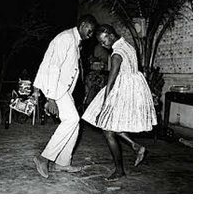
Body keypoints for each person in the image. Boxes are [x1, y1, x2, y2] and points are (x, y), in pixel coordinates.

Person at [81, 24, 157, 181]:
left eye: (103, 41)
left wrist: (104, 104)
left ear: (109, 34)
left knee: (108, 130)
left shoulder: (116, 54)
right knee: (112, 125)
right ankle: (136, 146)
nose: (103, 45)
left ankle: (119, 170)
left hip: (123, 91)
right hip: (134, 88)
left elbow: (111, 79)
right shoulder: (126, 44)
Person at [32, 15, 98, 178]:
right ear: (83, 25)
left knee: (75, 124)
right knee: (72, 120)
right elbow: (53, 67)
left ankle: (62, 163)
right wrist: (51, 98)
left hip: (63, 90)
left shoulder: (74, 41)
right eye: (90, 30)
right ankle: (43, 157)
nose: (91, 34)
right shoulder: (66, 38)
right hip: (56, 89)